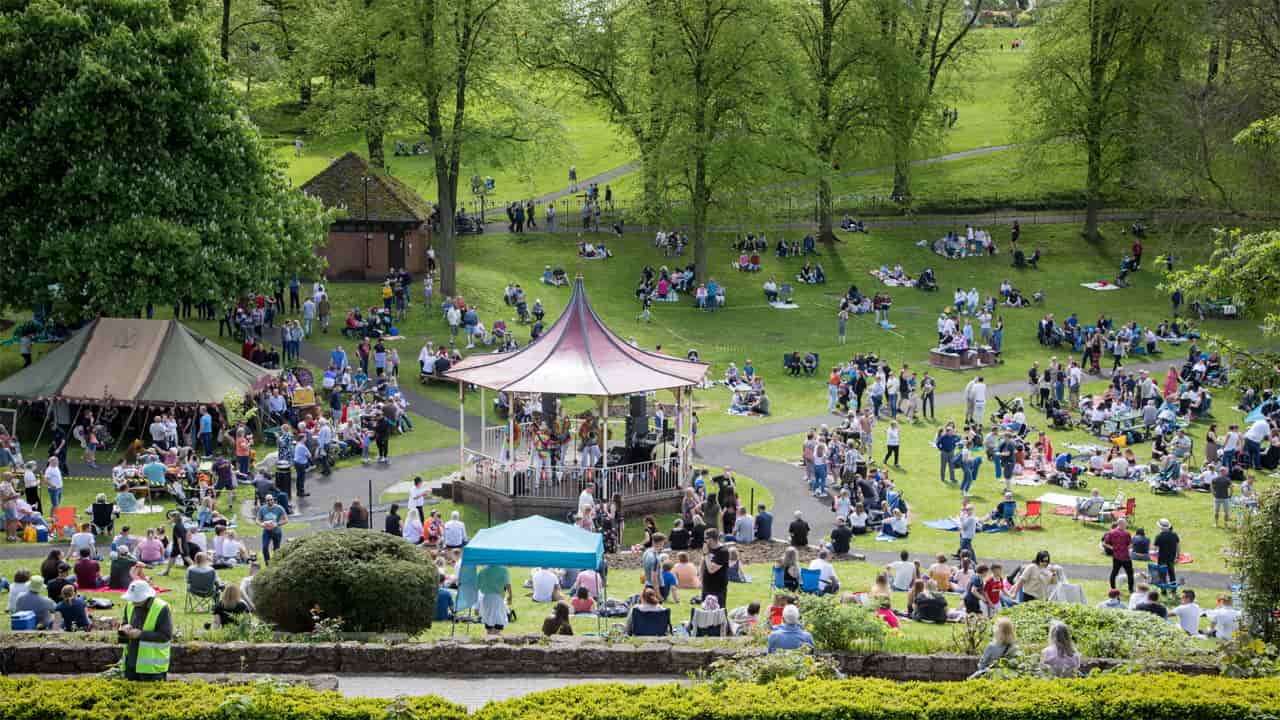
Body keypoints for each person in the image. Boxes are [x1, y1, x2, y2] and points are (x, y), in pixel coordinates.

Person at [119, 580, 173, 680]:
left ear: (146, 596)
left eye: (136, 599)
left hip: (152, 670)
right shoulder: (130, 604)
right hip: (131, 664)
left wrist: (140, 634)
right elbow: (124, 623)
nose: (133, 601)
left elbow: (166, 636)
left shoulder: (162, 608)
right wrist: (124, 627)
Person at [477, 563, 513, 635]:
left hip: (486, 599)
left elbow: (477, 587)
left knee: (489, 623)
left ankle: (490, 640)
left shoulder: (482, 571)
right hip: (497, 599)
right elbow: (508, 584)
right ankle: (494, 640)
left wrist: (476, 605)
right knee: (498, 623)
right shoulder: (503, 570)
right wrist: (510, 596)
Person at [1102, 518, 1134, 593]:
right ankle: (1131, 589)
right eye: (1125, 524)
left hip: (1116, 556)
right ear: (1121, 524)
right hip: (1125, 556)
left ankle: (1113, 588)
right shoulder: (1127, 534)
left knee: (1114, 572)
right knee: (1130, 573)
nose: (1126, 526)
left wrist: (1113, 548)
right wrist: (1126, 548)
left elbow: (1105, 543)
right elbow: (1131, 545)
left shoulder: (1111, 533)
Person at [701, 529, 730, 609]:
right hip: (706, 585)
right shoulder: (707, 548)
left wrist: (706, 553)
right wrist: (701, 578)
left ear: (710, 539)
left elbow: (711, 570)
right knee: (705, 611)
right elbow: (703, 562)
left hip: (718, 587)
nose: (704, 541)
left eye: (705, 538)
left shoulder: (723, 551)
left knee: (718, 612)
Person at [256, 493, 288, 565]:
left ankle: (276, 563)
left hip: (276, 531)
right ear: (265, 501)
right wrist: (262, 524)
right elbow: (257, 520)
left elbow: (286, 520)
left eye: (271, 500)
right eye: (268, 500)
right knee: (264, 548)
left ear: (274, 500)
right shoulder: (262, 509)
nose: (270, 501)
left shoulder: (279, 508)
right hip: (266, 531)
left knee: (276, 549)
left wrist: (277, 524)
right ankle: (267, 563)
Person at [1153, 518, 1181, 582]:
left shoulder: (1159, 536)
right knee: (1172, 573)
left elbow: (1155, 549)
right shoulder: (1174, 535)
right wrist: (1178, 556)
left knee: (1162, 574)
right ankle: (1173, 589)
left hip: (1162, 558)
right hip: (1172, 557)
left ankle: (1163, 590)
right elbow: (1178, 546)